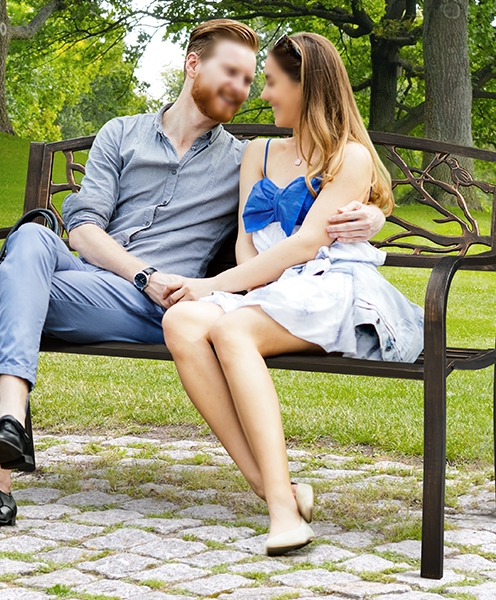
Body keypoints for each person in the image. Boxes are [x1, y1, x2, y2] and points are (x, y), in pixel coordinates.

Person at [0, 19, 387, 527]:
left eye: (251, 80)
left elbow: (318, 200)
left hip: (159, 306)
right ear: (192, 64)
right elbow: (82, 230)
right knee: (27, 239)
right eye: (232, 72)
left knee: (6, 283)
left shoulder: (240, 159)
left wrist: (374, 217)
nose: (243, 89)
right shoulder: (121, 134)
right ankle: (10, 421)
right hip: (106, 281)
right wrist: (142, 274)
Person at [161, 32, 425, 556]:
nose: (263, 95)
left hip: (329, 288)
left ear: (308, 88)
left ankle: (283, 512)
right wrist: (239, 289)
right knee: (182, 323)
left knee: (231, 327)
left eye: (273, 83)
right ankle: (270, 486)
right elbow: (245, 242)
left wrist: (209, 288)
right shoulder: (256, 152)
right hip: (273, 287)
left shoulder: (349, 158)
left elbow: (307, 243)